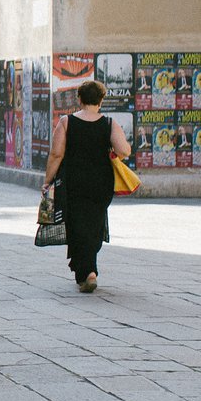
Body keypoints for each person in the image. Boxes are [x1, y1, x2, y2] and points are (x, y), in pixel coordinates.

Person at [41, 78, 133, 293]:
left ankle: (88, 272)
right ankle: (87, 270)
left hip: (73, 182)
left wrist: (47, 181)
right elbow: (124, 151)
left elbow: (56, 154)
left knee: (76, 225)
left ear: (79, 99)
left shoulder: (66, 122)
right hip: (101, 183)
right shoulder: (109, 123)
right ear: (101, 100)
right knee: (94, 224)